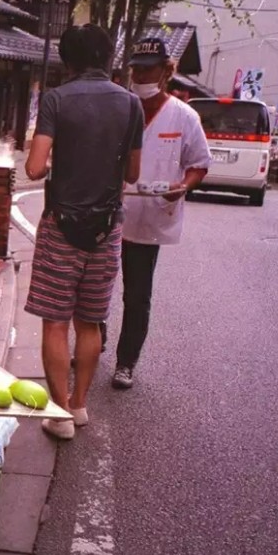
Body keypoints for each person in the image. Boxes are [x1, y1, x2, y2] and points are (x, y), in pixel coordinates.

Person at [23, 24, 144, 440]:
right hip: (107, 228)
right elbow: (132, 172)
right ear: (109, 58)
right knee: (89, 322)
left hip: (62, 227)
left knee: (55, 322)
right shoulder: (131, 105)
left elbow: (35, 168)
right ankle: (79, 407)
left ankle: (57, 413)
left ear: (68, 60)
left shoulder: (56, 100)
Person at [111, 37, 211, 390]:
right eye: (136, 67)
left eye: (148, 68)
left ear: (166, 71)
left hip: (151, 216)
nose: (140, 74)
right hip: (109, 212)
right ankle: (95, 344)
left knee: (136, 295)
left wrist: (182, 187)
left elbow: (198, 164)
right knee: (96, 289)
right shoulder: (119, 106)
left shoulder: (184, 116)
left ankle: (126, 362)